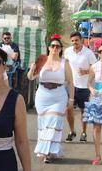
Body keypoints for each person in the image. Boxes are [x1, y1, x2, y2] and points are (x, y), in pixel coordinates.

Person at [27, 35, 74, 163]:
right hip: (42, 95)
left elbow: (70, 82)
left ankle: (47, 152)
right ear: (49, 48)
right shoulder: (42, 60)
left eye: (57, 46)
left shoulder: (65, 62)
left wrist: (71, 100)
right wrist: (32, 70)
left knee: (54, 121)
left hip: (59, 95)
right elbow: (31, 77)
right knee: (44, 124)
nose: (54, 48)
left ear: (60, 49)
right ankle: (51, 151)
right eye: (52, 46)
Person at [64, 32, 97, 143]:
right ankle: (72, 131)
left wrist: (86, 71)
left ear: (81, 40)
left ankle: (83, 132)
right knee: (69, 109)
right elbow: (64, 65)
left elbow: (96, 68)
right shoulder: (67, 51)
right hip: (70, 85)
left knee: (83, 110)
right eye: (72, 41)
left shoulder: (88, 53)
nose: (75, 43)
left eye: (76, 40)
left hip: (84, 86)